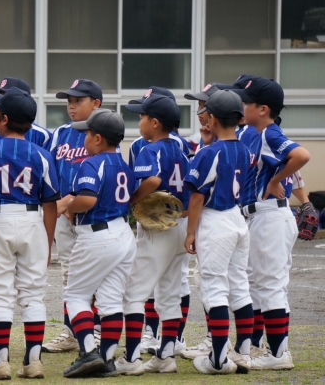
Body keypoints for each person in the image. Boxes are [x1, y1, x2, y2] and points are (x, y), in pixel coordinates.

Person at [0, 87, 59, 380]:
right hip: (32, 219)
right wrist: (47, 242)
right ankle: (33, 361)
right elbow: (51, 204)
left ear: (3, 119)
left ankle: (0, 362)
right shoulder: (42, 154)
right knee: (33, 293)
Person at [235, 75, 310, 370]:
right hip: (259, 215)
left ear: (263, 109)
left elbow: (301, 155)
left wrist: (277, 179)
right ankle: (259, 348)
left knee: (270, 286)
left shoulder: (269, 133)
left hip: (271, 216)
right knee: (257, 285)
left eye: (247, 103)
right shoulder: (257, 134)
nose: (242, 107)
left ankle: (279, 355)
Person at [116, 90, 190, 376]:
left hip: (158, 230)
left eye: (143, 117)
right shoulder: (180, 150)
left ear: (155, 123)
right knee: (170, 293)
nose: (140, 122)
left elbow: (154, 179)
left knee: (134, 292)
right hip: (179, 224)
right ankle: (165, 356)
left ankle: (132, 358)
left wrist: (132, 200)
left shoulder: (151, 149)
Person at [184, 89, 256, 374]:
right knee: (239, 286)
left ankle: (218, 359)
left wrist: (190, 232)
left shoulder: (209, 152)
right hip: (237, 219)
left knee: (214, 288)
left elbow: (197, 197)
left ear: (212, 118)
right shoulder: (245, 149)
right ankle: (243, 353)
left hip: (215, 220)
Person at [61, 109, 136, 378]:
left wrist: (69, 206)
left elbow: (88, 199)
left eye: (87, 133)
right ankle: (107, 359)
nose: (84, 138)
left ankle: (89, 352)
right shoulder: (124, 165)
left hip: (98, 234)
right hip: (123, 233)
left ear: (98, 138)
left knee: (76, 296)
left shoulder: (92, 163)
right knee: (111, 299)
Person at [42, 79, 103, 353]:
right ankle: (71, 331)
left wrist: (70, 201)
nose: (72, 106)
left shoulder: (104, 131)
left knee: (96, 275)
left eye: (79, 100)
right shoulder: (61, 133)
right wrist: (59, 202)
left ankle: (96, 330)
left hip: (92, 214)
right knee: (69, 274)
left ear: (96, 103)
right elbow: (51, 171)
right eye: (70, 101)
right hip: (63, 215)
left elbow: (105, 172)